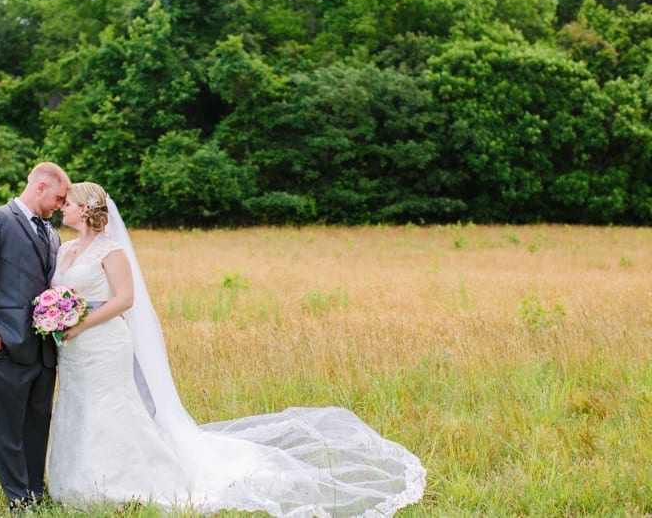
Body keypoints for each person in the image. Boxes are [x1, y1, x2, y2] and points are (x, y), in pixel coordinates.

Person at [47, 182, 426, 516]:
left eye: (69, 202)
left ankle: (120, 481)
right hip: (74, 349)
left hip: (104, 342)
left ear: (86, 209)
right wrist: (56, 316)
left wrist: (81, 323)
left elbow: (125, 299)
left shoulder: (111, 252)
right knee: (77, 405)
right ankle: (77, 480)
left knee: (110, 407)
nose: (63, 207)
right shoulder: (65, 251)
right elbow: (59, 292)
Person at [0, 162, 70, 512]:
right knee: (7, 428)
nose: (61, 206)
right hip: (2, 346)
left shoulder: (52, 234)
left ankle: (37, 490)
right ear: (39, 187)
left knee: (38, 422)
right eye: (59, 197)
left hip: (42, 349)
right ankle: (18, 499)